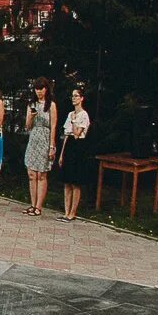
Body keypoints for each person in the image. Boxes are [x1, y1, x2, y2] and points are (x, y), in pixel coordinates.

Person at [57, 86, 94, 221]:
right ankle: (66, 211)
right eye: (72, 96)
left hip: (78, 146)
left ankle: (73, 212)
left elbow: (77, 134)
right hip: (69, 146)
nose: (74, 98)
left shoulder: (83, 115)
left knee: (75, 182)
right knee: (67, 181)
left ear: (82, 98)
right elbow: (67, 135)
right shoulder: (69, 114)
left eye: (76, 96)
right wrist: (61, 154)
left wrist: (73, 121)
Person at [23, 79, 57, 217]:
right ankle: (32, 204)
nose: (39, 92)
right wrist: (30, 117)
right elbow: (27, 126)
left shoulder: (51, 105)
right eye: (37, 89)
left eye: (41, 89)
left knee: (41, 174)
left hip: (45, 138)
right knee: (32, 174)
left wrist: (51, 146)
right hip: (33, 138)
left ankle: (39, 206)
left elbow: (53, 126)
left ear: (46, 89)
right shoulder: (32, 104)